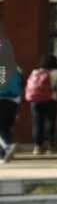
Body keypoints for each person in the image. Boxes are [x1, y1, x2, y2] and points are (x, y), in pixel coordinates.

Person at [24, 54, 57, 155]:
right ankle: (51, 146)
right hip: (51, 100)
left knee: (37, 123)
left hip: (35, 100)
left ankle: (37, 147)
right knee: (51, 122)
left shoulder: (35, 72)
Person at [0, 31, 20, 164]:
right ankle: (3, 156)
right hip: (13, 102)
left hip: (1, 99)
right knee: (5, 128)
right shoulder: (15, 67)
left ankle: (7, 147)